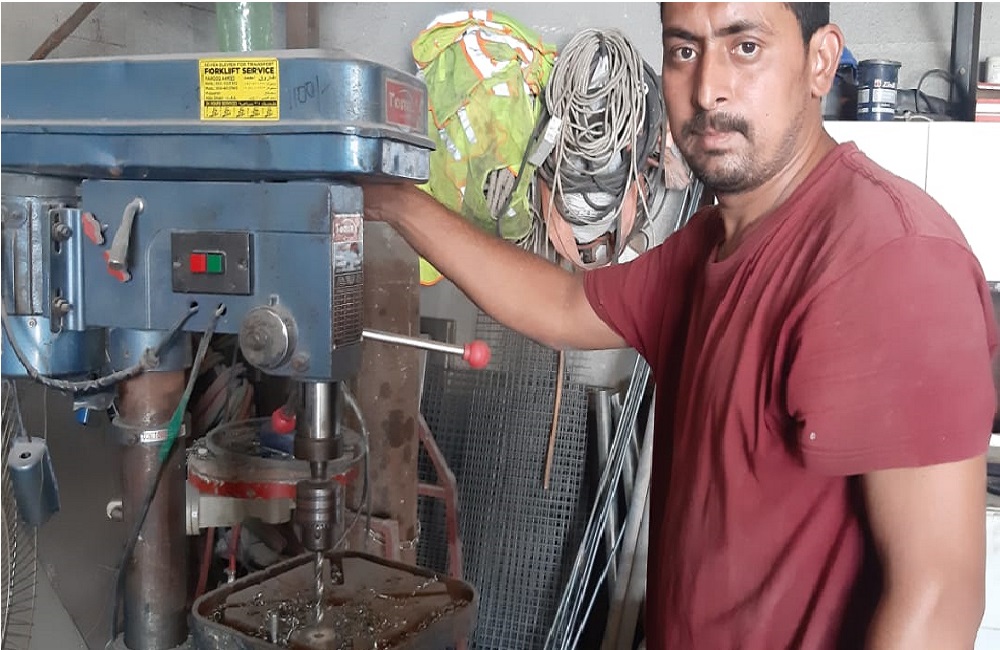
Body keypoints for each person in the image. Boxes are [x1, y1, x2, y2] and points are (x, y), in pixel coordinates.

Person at [363, 3, 999, 648]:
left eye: (745, 47)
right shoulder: (711, 241)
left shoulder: (889, 255)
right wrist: (393, 201)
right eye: (684, 51)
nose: (707, 89)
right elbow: (564, 305)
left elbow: (937, 601)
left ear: (820, 61)